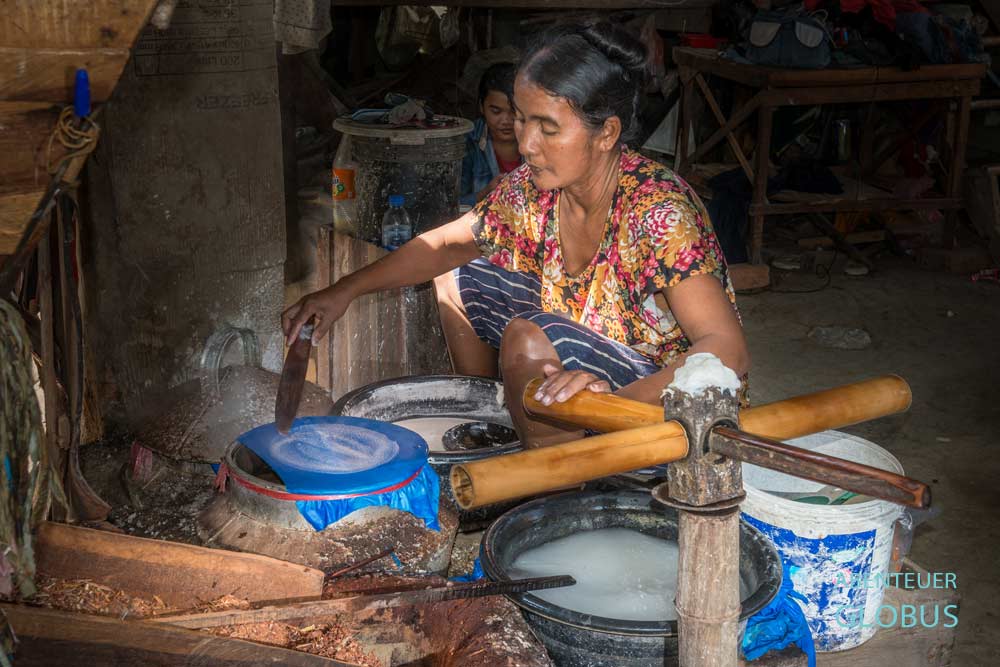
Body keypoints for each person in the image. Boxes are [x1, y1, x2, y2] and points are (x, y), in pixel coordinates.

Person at [284, 22, 749, 448]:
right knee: (459, 276)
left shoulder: (659, 213)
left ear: (607, 133)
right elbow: (447, 246)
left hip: (666, 407)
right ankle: (495, 425)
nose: (526, 143)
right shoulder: (535, 187)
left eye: (548, 128)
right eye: (523, 119)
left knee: (528, 338)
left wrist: (608, 403)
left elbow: (727, 351)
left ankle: (555, 483)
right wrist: (344, 290)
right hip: (590, 361)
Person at [459, 63, 521, 206]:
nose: (506, 121)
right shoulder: (468, 143)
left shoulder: (539, 141)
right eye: (496, 111)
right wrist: (485, 193)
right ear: (481, 106)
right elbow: (451, 204)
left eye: (514, 111)